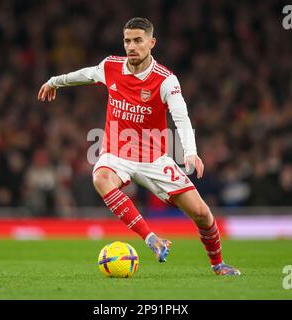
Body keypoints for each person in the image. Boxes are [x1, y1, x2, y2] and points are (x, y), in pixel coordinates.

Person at [38, 17, 240, 276]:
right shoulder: (110, 66)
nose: (131, 46)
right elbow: (85, 74)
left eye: (137, 40)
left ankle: (218, 265)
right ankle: (151, 239)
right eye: (127, 41)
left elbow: (181, 116)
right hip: (116, 152)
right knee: (100, 178)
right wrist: (55, 81)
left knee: (202, 214)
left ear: (151, 43)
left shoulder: (166, 80)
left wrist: (190, 151)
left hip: (154, 159)